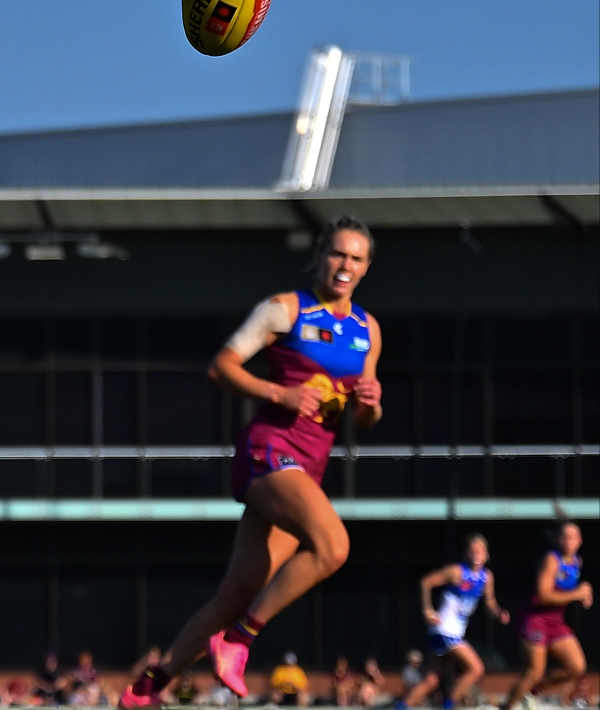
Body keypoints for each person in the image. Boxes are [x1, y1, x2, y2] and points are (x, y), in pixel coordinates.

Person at [121, 216, 384, 707]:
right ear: (320, 255)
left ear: (367, 266)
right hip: (268, 451)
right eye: (337, 254)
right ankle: (239, 639)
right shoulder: (286, 309)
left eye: (355, 257)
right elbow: (221, 367)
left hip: (308, 468)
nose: (344, 265)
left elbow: (364, 420)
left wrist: (371, 402)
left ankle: (146, 691)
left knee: (237, 591)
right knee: (333, 547)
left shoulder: (368, 330)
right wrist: (278, 392)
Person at [404, 534, 508, 710]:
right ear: (467, 553)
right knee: (476, 669)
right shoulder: (457, 571)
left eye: (480, 551)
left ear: (486, 554)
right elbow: (426, 582)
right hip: (444, 629)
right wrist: (427, 609)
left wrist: (498, 613)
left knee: (432, 680)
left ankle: (401, 706)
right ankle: (448, 706)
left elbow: (489, 601)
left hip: (455, 631)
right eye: (473, 550)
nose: (477, 554)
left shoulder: (486, 577)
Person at [502, 520, 590, 710]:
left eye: (573, 537)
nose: (568, 541)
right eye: (564, 537)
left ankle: (533, 692)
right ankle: (507, 707)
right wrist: (577, 595)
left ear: (580, 541)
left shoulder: (577, 562)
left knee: (577, 667)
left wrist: (585, 595)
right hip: (535, 619)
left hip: (555, 621)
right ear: (558, 540)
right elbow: (543, 595)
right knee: (534, 672)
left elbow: (570, 590)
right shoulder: (551, 559)